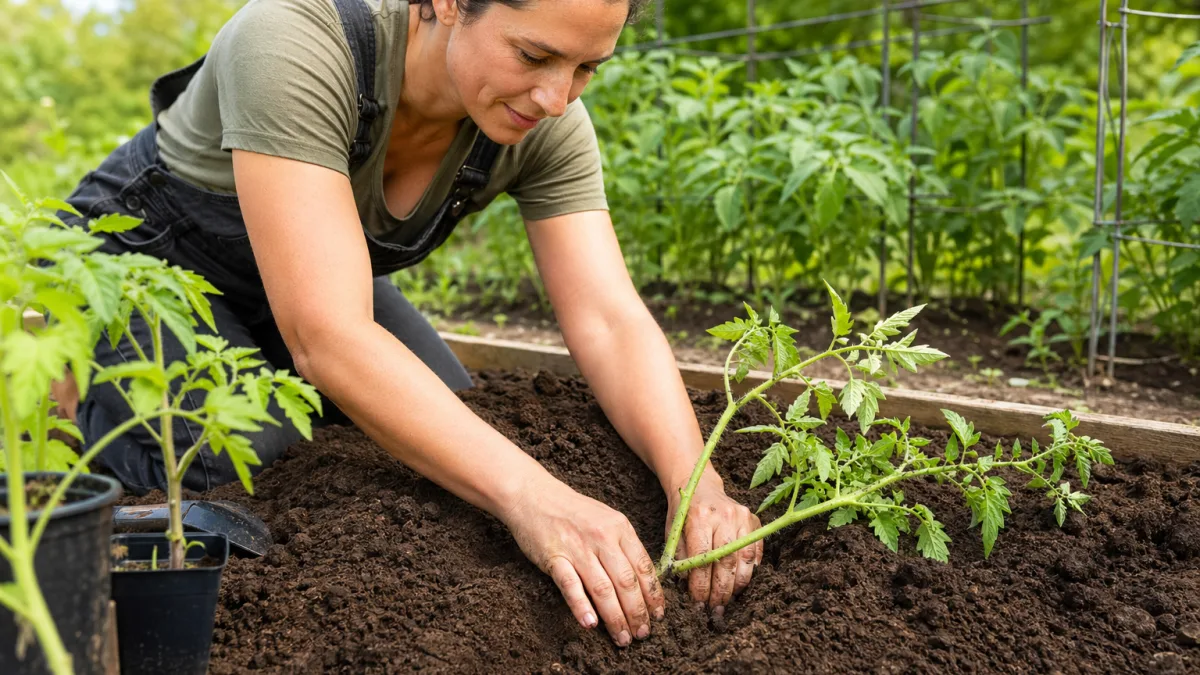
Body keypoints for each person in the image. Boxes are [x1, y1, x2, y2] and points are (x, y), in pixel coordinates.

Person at [53, 0, 761, 646]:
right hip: (145, 265)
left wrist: (694, 480)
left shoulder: (546, 126)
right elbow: (329, 337)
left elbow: (609, 319)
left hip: (308, 281)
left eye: (586, 69)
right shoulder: (295, 41)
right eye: (533, 56)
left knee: (456, 419)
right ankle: (63, 425)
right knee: (249, 453)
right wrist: (538, 500)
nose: (555, 97)